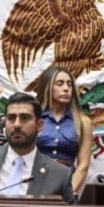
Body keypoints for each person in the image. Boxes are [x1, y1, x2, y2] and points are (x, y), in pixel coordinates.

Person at [37, 66, 94, 194]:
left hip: (66, 181)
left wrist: (68, 193)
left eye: (69, 84)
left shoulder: (83, 122)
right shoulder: (35, 118)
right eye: (60, 83)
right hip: (35, 181)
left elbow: (83, 165)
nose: (66, 88)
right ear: (47, 87)